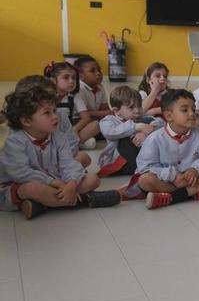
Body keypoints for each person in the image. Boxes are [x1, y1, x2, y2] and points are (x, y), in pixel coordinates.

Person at [0, 88, 120, 219]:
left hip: (55, 181)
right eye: (47, 113)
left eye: (54, 111)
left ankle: (42, 205)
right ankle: (86, 200)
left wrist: (72, 184)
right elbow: (21, 173)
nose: (55, 116)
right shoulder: (15, 141)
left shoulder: (58, 136)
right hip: (21, 184)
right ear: (27, 121)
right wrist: (52, 182)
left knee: (93, 180)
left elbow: (68, 163)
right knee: (31, 189)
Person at [135, 89, 199, 209]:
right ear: (168, 116)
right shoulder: (154, 139)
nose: (192, 113)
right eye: (185, 110)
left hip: (194, 178)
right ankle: (194, 193)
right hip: (167, 181)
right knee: (145, 180)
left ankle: (171, 197)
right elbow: (146, 167)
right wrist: (172, 176)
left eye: (193, 108)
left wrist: (195, 169)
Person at [15, 75, 89, 168]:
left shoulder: (60, 116)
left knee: (84, 158)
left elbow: (72, 142)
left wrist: (60, 159)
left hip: (60, 162)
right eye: (46, 98)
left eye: (54, 95)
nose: (54, 99)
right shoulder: (21, 122)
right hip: (33, 168)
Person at [97, 86, 162, 177]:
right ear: (117, 111)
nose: (137, 111)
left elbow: (161, 123)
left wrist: (146, 130)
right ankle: (145, 168)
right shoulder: (109, 121)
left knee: (151, 126)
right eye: (131, 108)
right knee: (124, 139)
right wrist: (136, 127)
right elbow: (109, 132)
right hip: (120, 162)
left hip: (139, 159)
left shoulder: (141, 118)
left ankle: (149, 165)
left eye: (139, 106)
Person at [73, 55, 111, 147]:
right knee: (96, 125)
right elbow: (86, 115)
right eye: (92, 71)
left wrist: (109, 113)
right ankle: (76, 143)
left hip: (92, 120)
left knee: (111, 121)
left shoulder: (100, 87)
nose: (98, 73)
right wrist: (109, 112)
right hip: (79, 121)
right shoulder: (79, 89)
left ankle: (85, 140)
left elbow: (105, 110)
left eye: (99, 70)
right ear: (81, 76)